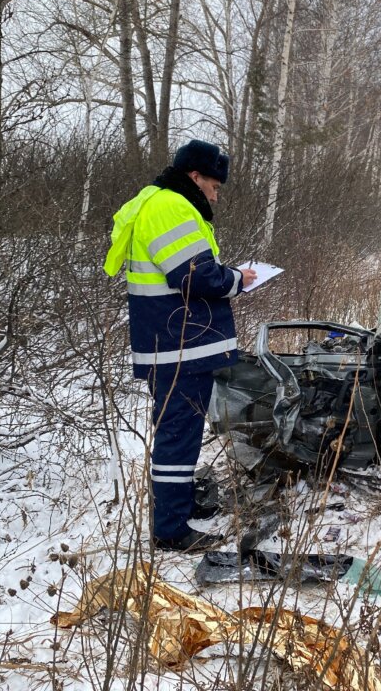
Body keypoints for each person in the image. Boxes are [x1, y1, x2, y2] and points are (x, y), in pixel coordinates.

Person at [103, 139, 257, 552]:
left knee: (181, 433)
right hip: (178, 346)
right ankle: (170, 529)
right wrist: (236, 280)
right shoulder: (170, 207)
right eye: (214, 184)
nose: (216, 193)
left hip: (175, 344)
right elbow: (193, 275)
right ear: (195, 176)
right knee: (178, 436)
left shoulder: (160, 204)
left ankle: (180, 506)